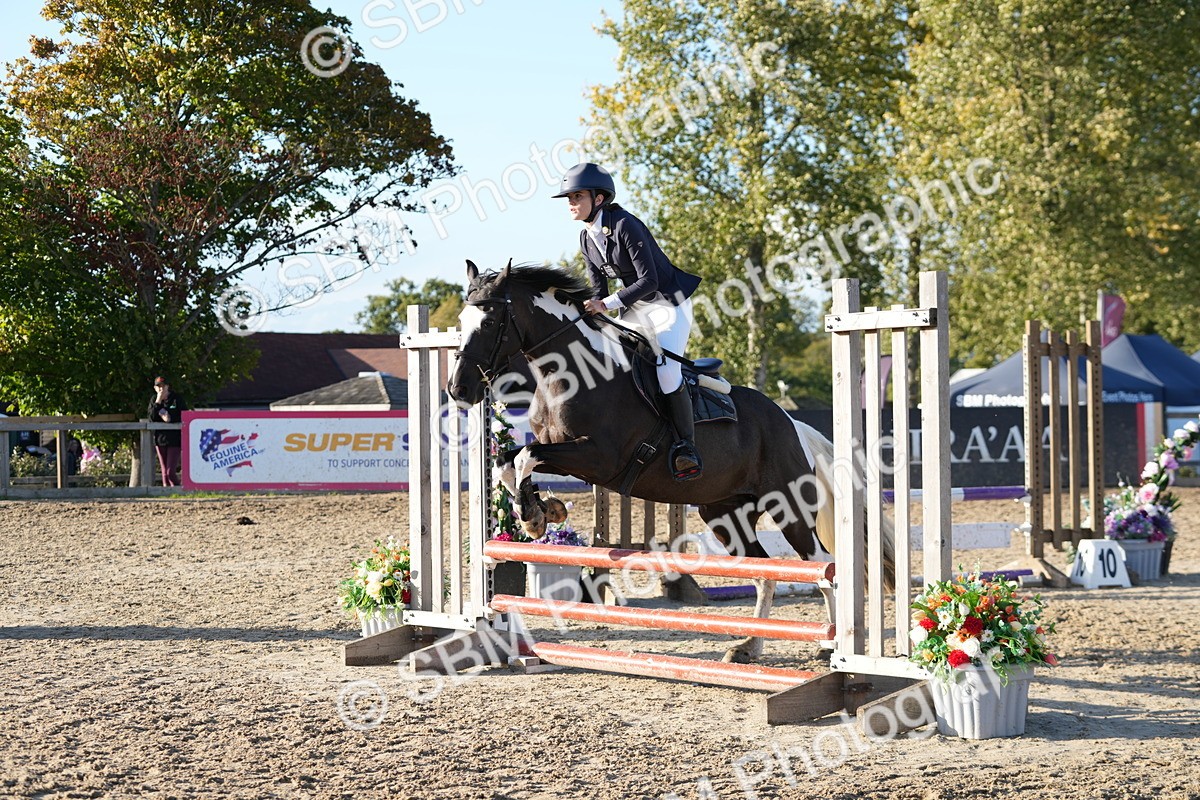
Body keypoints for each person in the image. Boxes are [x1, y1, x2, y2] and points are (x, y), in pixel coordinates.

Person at [553, 162, 704, 481]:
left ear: (598, 199)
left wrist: (604, 304)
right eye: (569, 197)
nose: (570, 203)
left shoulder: (625, 225)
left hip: (667, 304)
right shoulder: (586, 238)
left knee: (665, 369)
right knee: (616, 362)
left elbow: (649, 281)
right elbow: (597, 290)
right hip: (633, 307)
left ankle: (685, 448)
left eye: (577, 196)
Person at [148, 376, 185, 487]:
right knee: (164, 473)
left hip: (175, 439)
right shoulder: (154, 399)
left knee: (170, 472)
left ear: (168, 387)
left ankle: (179, 491)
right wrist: (158, 401)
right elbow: (151, 417)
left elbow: (184, 414)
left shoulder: (176, 399)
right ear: (155, 388)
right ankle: (167, 495)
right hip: (160, 439)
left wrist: (169, 418)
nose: (161, 389)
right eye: (158, 386)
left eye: (163, 386)